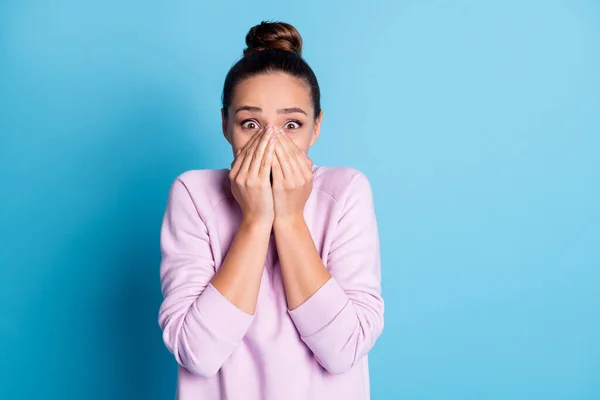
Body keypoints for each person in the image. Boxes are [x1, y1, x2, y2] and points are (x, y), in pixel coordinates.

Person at [158, 21, 384, 400]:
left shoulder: (345, 192)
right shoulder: (194, 195)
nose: (270, 142)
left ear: (316, 128)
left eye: (291, 124)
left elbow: (344, 349)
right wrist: (256, 219)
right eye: (250, 123)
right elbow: (197, 352)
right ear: (226, 126)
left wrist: (291, 218)